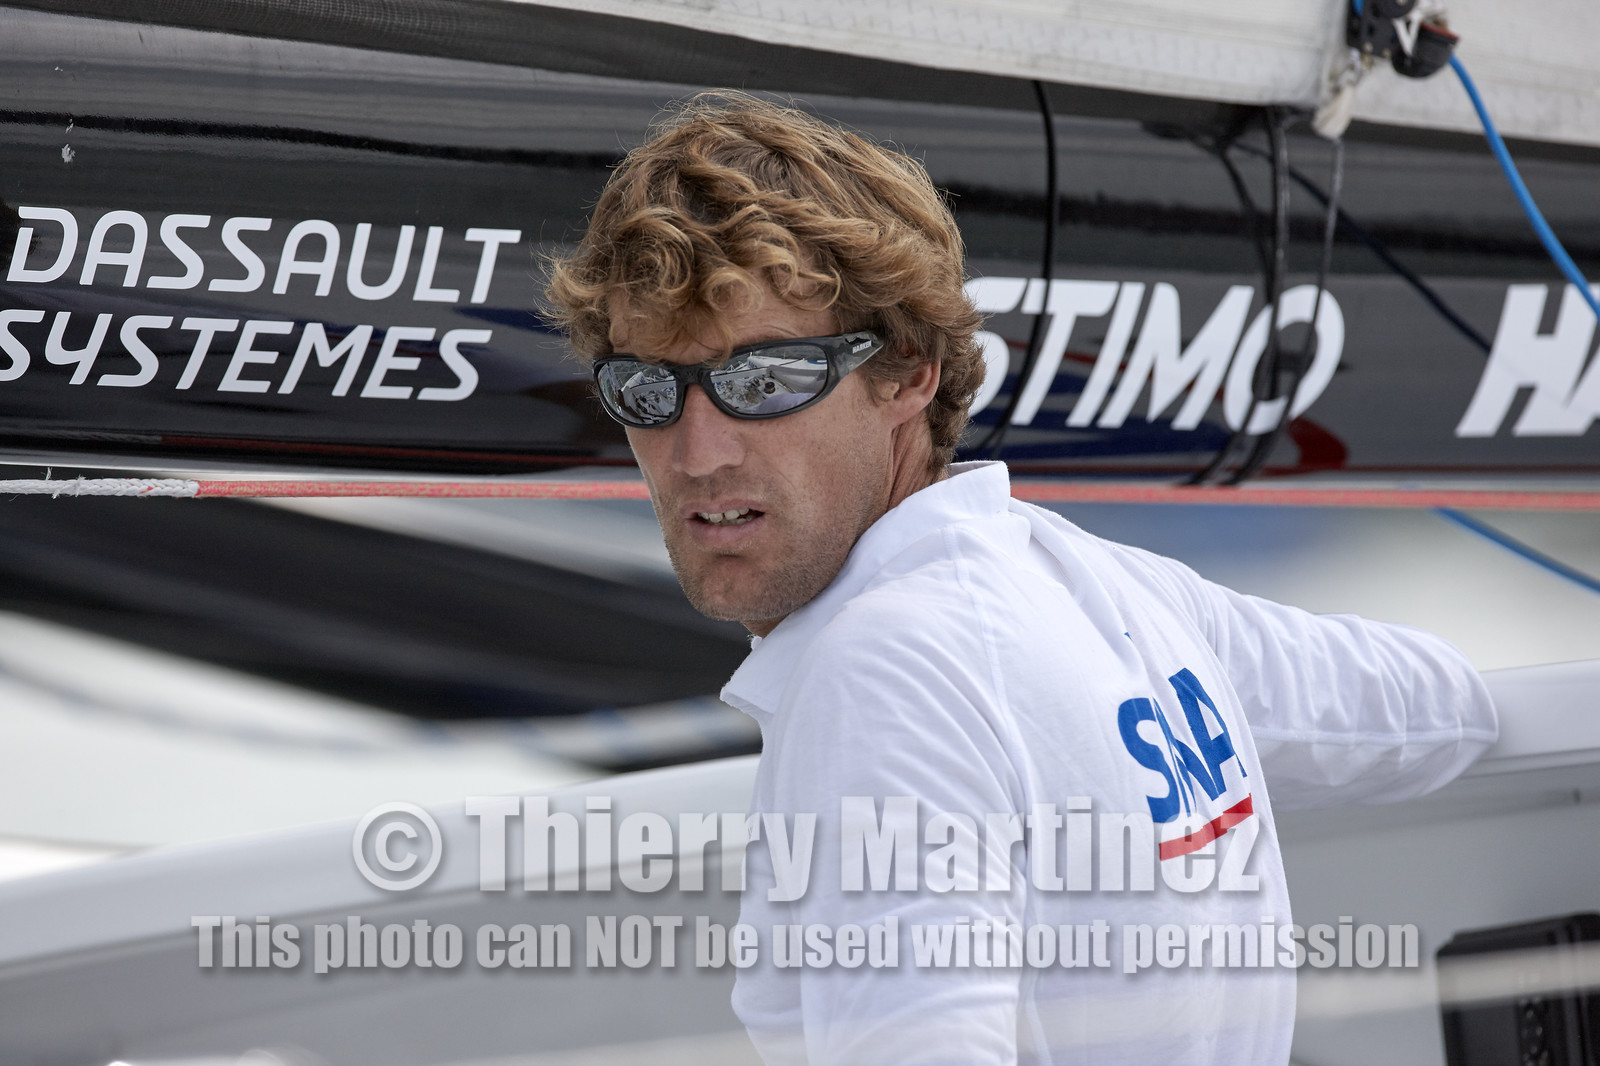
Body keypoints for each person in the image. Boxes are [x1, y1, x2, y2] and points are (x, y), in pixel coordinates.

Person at [546, 92, 1497, 1065]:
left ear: (909, 372)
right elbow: (1438, 708)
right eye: (645, 389)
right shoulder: (1096, 587)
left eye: (763, 382)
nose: (696, 451)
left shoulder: (883, 675)